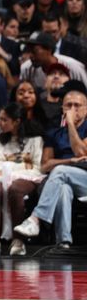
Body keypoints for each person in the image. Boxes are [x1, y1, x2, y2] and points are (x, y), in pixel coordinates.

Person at [14, 80, 87, 249]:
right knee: (62, 187)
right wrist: (69, 161)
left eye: (77, 105)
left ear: (86, 109)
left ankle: (35, 219)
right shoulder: (54, 133)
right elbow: (45, 166)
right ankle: (64, 243)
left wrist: (70, 124)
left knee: (60, 172)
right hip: (64, 179)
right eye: (68, 105)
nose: (73, 109)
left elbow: (81, 153)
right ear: (62, 108)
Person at [0, 102, 44, 256]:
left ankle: (18, 240)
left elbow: (36, 167)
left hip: (30, 177)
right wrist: (20, 166)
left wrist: (10, 168)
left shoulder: (35, 139)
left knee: (15, 189)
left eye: (4, 120)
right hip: (1, 177)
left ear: (17, 121)